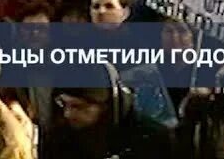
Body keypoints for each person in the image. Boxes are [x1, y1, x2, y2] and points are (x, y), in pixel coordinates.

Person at [43, 64, 174, 159]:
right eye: (63, 103)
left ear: (106, 106)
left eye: (79, 107)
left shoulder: (151, 140)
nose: (68, 114)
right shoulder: (59, 140)